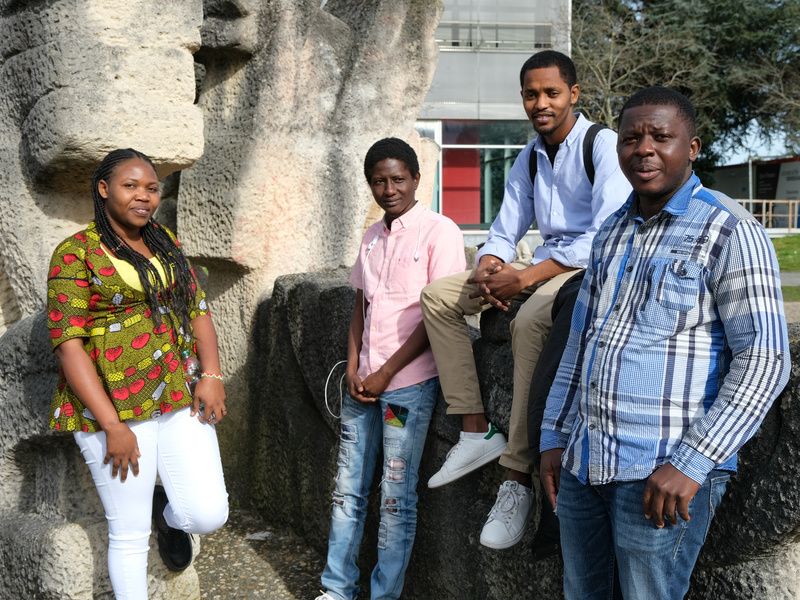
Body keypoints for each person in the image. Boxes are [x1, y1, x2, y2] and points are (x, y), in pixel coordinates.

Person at [540, 87, 790, 599]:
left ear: (692, 147)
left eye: (661, 136)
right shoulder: (611, 232)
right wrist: (553, 436)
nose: (644, 148)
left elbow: (765, 359)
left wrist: (692, 462)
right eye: (631, 137)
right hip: (585, 463)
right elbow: (580, 343)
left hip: (660, 474)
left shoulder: (728, 230)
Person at [419, 49, 630, 549]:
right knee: (438, 297)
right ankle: (475, 428)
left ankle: (516, 477)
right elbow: (505, 226)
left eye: (551, 93)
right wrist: (490, 265)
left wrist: (525, 277)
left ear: (574, 95)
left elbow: (605, 235)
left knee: (529, 319)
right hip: (537, 263)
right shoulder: (529, 155)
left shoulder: (601, 145)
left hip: (581, 269)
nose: (541, 103)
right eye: (531, 94)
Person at [47, 148, 229, 599]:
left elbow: (197, 309)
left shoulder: (165, 241)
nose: (143, 196)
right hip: (112, 410)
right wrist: (112, 426)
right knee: (127, 533)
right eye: (131, 186)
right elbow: (69, 346)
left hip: (175, 393)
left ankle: (165, 510)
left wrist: (212, 374)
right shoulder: (75, 254)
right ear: (104, 189)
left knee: (210, 514)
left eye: (151, 187)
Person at [316, 138, 466, 600]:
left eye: (398, 178)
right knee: (347, 490)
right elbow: (361, 305)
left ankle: (384, 594)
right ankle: (337, 589)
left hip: (407, 388)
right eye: (379, 181)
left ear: (417, 179)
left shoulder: (440, 232)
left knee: (396, 497)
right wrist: (355, 365)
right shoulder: (370, 238)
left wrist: (385, 373)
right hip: (362, 386)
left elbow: (439, 315)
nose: (389, 188)